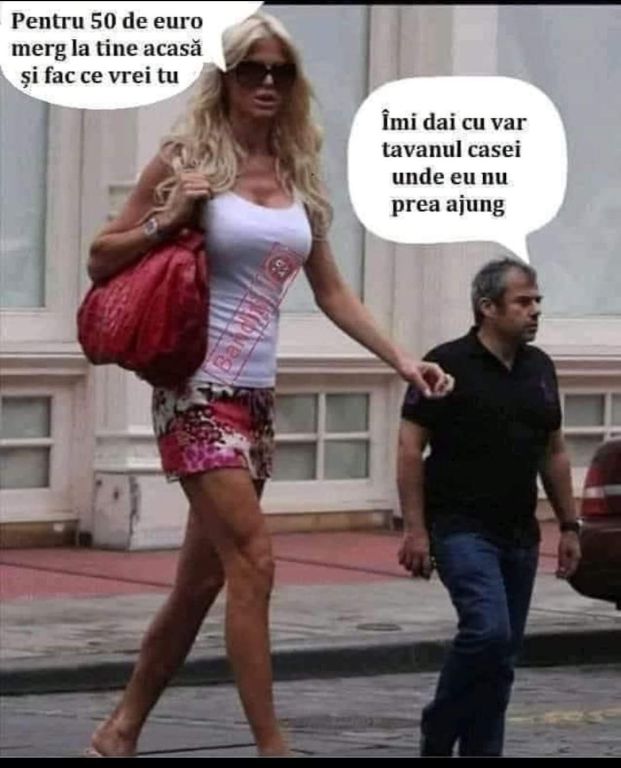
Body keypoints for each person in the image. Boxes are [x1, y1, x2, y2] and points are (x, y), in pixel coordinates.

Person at [86, 11, 453, 758]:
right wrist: (169, 219)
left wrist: (402, 360)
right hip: (194, 391)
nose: (266, 83)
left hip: (255, 400)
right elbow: (101, 257)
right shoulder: (187, 158)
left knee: (201, 584)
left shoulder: (296, 174)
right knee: (255, 560)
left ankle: (119, 731)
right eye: (251, 69)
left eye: (280, 72)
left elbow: (333, 292)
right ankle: (272, 746)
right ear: (225, 79)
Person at [397, 257, 581, 757]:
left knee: (501, 661)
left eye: (537, 301)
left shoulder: (540, 368)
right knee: (487, 632)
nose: (535, 310)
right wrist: (415, 530)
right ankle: (439, 726)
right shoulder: (445, 363)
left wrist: (569, 526)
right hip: (460, 528)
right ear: (487, 307)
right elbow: (410, 448)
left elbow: (554, 451)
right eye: (523, 302)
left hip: (520, 533)